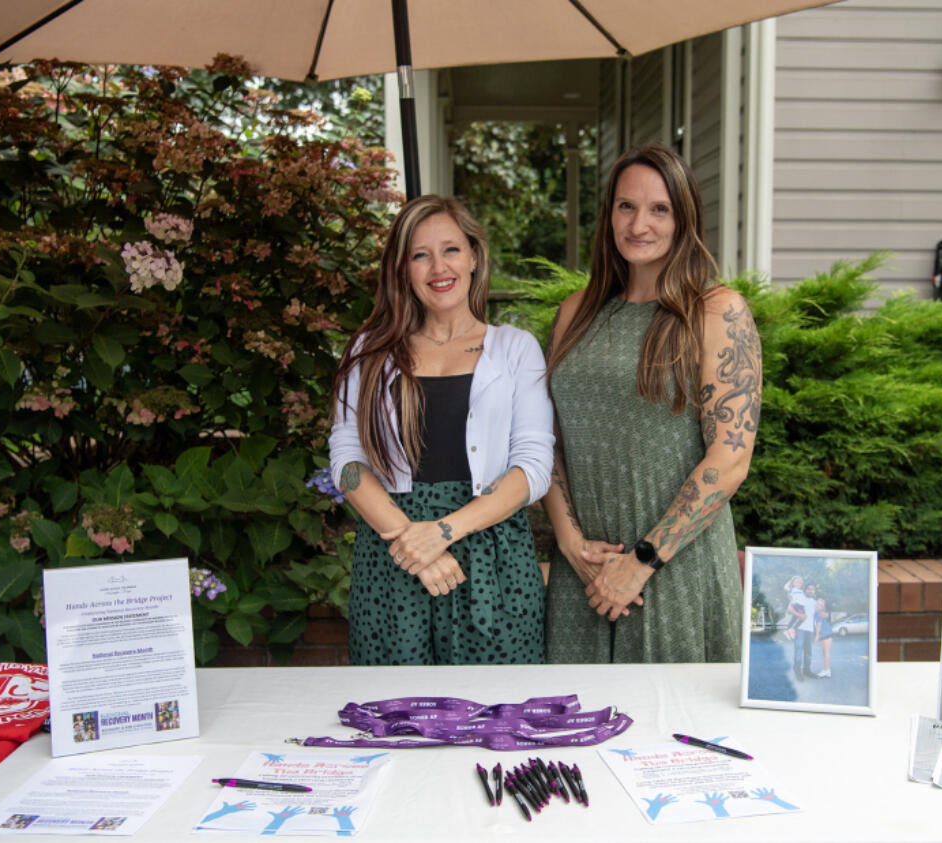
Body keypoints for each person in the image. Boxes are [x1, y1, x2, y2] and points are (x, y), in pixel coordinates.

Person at [542, 143, 762, 663]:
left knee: (673, 735)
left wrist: (642, 560)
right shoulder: (576, 311)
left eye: (659, 209)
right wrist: (574, 548)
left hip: (672, 568)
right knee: (570, 732)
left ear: (683, 218)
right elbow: (545, 441)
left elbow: (730, 458)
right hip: (585, 571)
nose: (639, 223)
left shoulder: (716, 311)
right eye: (626, 206)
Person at [328, 195, 554, 665]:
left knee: (493, 717)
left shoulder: (516, 349)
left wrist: (444, 532)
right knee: (396, 717)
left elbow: (533, 468)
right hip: (395, 557)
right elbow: (347, 460)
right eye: (419, 254)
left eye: (450, 249)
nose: (438, 267)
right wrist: (417, 544)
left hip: (493, 559)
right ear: (403, 269)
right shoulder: (370, 352)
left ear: (473, 255)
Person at [792, 583, 819, 681]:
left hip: (810, 630)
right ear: (805, 590)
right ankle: (797, 671)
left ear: (814, 591)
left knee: (809, 652)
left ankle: (807, 670)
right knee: (798, 651)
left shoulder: (815, 603)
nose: (811, 591)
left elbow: (815, 618)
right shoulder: (800, 600)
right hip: (800, 629)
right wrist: (798, 616)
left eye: (812, 589)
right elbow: (790, 609)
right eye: (809, 589)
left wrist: (816, 631)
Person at [814, 596, 834, 678]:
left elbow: (819, 625)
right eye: (817, 604)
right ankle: (827, 670)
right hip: (824, 635)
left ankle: (826, 671)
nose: (818, 605)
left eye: (820, 605)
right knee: (825, 653)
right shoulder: (817, 613)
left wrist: (816, 636)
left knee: (826, 653)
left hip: (827, 634)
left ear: (822, 607)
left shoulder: (820, 613)